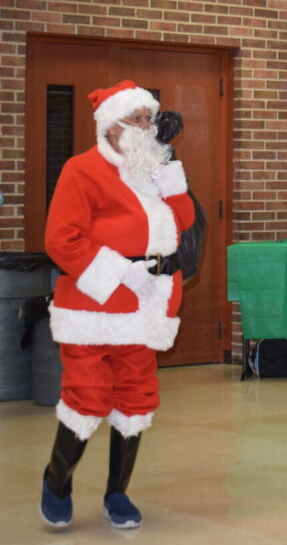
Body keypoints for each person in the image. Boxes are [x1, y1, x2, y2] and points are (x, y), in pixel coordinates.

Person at [39, 80, 194, 530]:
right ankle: (57, 478)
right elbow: (60, 239)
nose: (146, 127)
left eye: (150, 118)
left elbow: (183, 222)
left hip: (147, 304)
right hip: (94, 307)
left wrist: (171, 173)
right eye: (137, 118)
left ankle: (117, 493)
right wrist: (120, 271)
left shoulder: (154, 169)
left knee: (136, 400)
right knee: (87, 398)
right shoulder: (81, 170)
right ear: (111, 124)